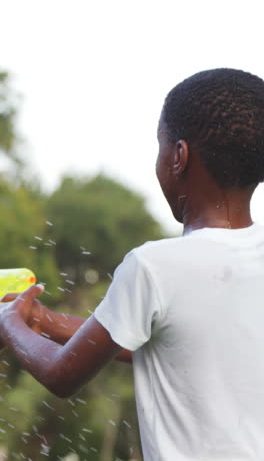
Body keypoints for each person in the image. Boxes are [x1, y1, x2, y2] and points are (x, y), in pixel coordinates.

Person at [1, 67, 264, 460]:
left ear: (178, 156)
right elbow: (167, 340)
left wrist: (10, 325)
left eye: (159, 146)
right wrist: (42, 321)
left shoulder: (154, 266)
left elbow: (62, 374)